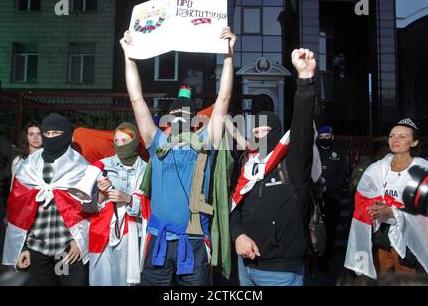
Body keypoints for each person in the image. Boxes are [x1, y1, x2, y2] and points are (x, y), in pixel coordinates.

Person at [120, 27, 236, 286]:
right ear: (167, 122)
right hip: (159, 241)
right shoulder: (157, 143)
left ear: (194, 122)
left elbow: (224, 97)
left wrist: (229, 56)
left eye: (185, 117)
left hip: (193, 243)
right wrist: (129, 57)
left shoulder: (206, 143)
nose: (180, 121)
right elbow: (137, 99)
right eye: (175, 117)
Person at [230, 48, 317, 286]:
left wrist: (305, 80)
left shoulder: (293, 161)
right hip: (245, 266)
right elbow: (235, 206)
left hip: (281, 272)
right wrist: (238, 235)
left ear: (277, 133)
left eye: (265, 131)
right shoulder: (248, 163)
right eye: (255, 132)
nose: (259, 136)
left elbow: (301, 125)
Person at [2, 113, 90, 286]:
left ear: (65, 134)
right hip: (36, 249)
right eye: (47, 134)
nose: (50, 138)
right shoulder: (28, 166)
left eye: (56, 133)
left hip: (65, 250)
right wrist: (23, 247)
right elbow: (18, 209)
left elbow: (91, 208)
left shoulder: (80, 166)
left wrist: (80, 240)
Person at [345, 118, 428, 279]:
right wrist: (373, 206)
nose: (395, 139)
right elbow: (363, 199)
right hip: (381, 242)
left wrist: (392, 213)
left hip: (410, 246)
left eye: (402, 136)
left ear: (414, 142)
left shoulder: (422, 169)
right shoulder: (376, 169)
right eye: (392, 136)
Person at [88, 122, 147, 286]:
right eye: (117, 141)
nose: (120, 145)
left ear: (134, 142)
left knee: (128, 279)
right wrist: (100, 193)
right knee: (104, 279)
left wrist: (127, 199)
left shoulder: (147, 169)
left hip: (134, 236)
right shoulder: (101, 166)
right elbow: (85, 205)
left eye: (125, 140)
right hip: (104, 234)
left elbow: (152, 207)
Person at [316, 125, 347, 269]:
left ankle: (325, 260)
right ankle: (314, 257)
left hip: (332, 196)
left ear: (332, 137)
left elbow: (342, 176)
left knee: (330, 230)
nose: (324, 140)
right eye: (321, 137)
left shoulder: (339, 152)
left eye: (327, 137)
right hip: (315, 196)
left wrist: (327, 188)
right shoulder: (315, 151)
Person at [349, 137, 389, 216]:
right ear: (382, 150)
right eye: (388, 150)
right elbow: (357, 190)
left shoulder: (385, 165)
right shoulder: (365, 167)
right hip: (367, 211)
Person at [11, 121, 43, 186]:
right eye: (31, 134)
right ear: (26, 137)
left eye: (39, 134)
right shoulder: (18, 161)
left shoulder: (51, 159)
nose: (35, 137)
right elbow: (13, 186)